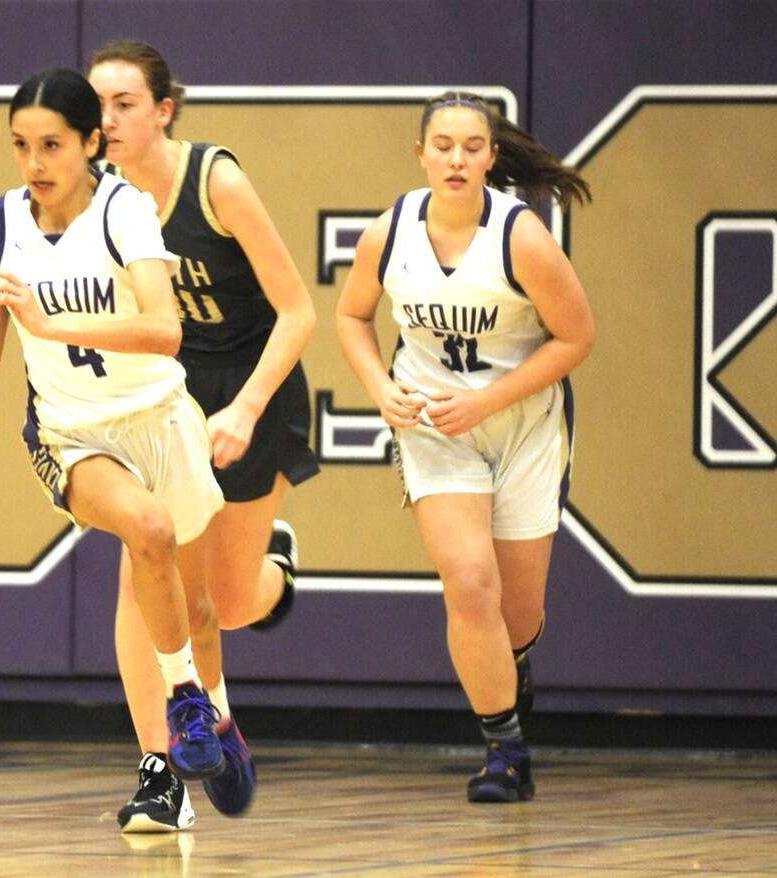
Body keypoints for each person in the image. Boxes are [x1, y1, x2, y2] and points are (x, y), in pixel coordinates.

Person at [0, 67, 229, 786]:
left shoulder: (126, 210)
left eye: (52, 144)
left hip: (161, 416)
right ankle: (182, 709)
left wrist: (51, 322)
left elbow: (165, 328)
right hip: (73, 434)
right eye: (21, 145)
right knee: (147, 530)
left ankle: (219, 716)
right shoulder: (2, 222)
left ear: (90, 144)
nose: (35, 162)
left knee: (200, 607)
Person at [335, 91, 594, 802]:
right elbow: (353, 315)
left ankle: (511, 665)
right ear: (421, 153)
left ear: (491, 155)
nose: (456, 158)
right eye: (442, 145)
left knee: (519, 613)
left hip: (522, 423)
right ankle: (504, 751)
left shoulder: (523, 239)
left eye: (471, 146)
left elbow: (577, 338)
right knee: (469, 580)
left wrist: (484, 400)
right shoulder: (389, 234)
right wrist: (379, 387)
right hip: (430, 426)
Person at [89, 40, 319, 831]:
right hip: (168, 400)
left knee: (224, 601)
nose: (108, 119)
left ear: (163, 109)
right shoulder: (97, 198)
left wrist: (248, 408)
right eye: (98, 106)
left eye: (124, 103)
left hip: (253, 389)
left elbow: (298, 311)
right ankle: (166, 774)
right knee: (151, 578)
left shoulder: (214, 180)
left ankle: (277, 576)